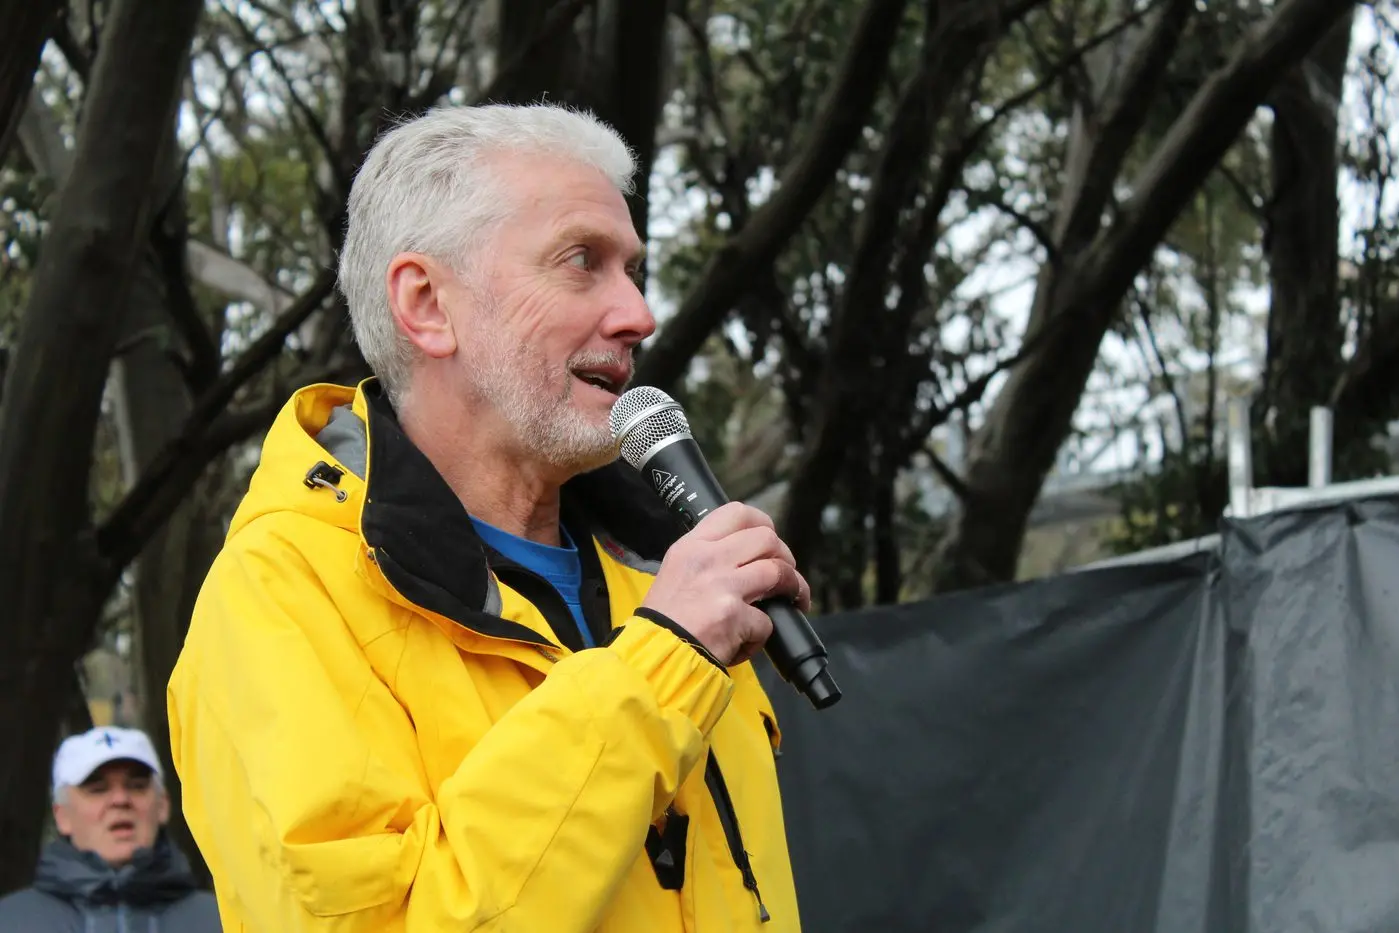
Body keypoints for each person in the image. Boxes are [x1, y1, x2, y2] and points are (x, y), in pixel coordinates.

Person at [167, 102, 806, 932]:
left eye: (632, 268)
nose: (638, 314)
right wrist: (663, 664)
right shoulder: (279, 595)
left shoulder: (662, 577)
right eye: (583, 262)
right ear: (428, 303)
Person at [0, 725, 222, 932]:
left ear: (163, 805)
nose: (120, 799)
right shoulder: (11, 921)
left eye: (137, 787)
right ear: (62, 816)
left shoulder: (223, 921)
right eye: (98, 789)